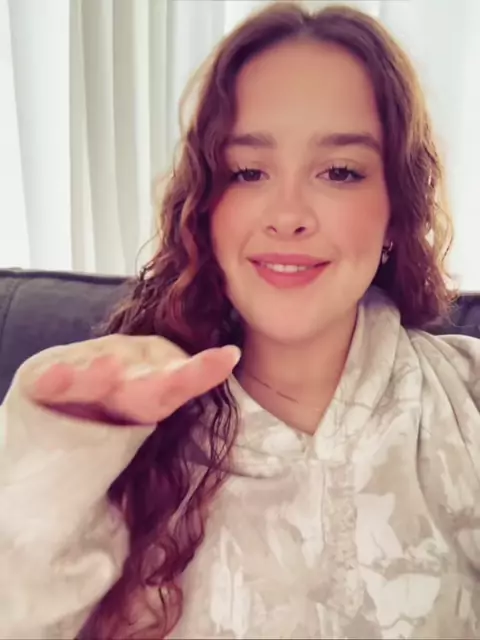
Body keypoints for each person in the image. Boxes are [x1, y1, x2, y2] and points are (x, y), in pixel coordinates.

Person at [1, 1, 479, 638]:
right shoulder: (113, 425)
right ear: (205, 205)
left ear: (396, 207)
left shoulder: (467, 399)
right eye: (248, 171)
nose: (287, 215)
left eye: (340, 172)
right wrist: (57, 457)